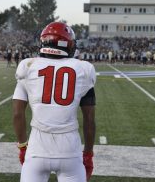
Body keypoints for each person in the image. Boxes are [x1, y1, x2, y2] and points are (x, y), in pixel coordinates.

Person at [13, 22, 96, 182]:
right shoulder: (83, 69)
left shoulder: (28, 66)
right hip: (69, 150)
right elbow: (89, 120)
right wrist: (88, 153)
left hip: (37, 147)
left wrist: (23, 146)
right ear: (68, 44)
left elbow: (17, 114)